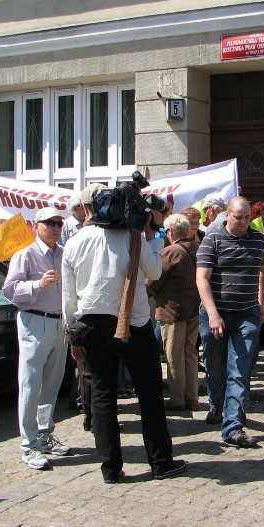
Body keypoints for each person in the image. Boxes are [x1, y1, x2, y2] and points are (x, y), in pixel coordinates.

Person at [62, 190, 185, 483]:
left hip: (91, 325)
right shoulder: (134, 238)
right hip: (133, 324)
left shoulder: (75, 242)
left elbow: (68, 297)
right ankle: (160, 461)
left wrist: (72, 336)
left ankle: (110, 468)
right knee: (149, 394)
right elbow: (154, 272)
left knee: (103, 397)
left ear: (88, 210)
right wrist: (153, 235)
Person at [196, 196, 264, 448]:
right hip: (215, 314)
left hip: (246, 314)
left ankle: (233, 426)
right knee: (215, 368)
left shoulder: (258, 239)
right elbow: (202, 279)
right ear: (227, 215)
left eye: (247, 217)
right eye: (238, 217)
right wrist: (213, 313)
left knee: (240, 368)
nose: (243, 221)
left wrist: (261, 301)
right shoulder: (212, 239)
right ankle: (217, 405)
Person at [2, 207, 71, 470]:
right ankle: (28, 444)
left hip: (58, 321)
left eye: (58, 223)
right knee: (30, 383)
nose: (55, 227)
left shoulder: (63, 254)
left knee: (52, 383)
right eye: (49, 223)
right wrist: (37, 285)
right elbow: (9, 290)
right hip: (34, 320)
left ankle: (44, 434)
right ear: (36, 226)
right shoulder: (26, 254)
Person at [146, 213, 200, 412]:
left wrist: (148, 291)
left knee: (173, 354)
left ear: (170, 232)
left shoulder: (171, 251)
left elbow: (153, 279)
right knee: (190, 352)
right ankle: (192, 397)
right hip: (194, 308)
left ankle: (178, 399)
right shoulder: (197, 248)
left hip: (172, 310)